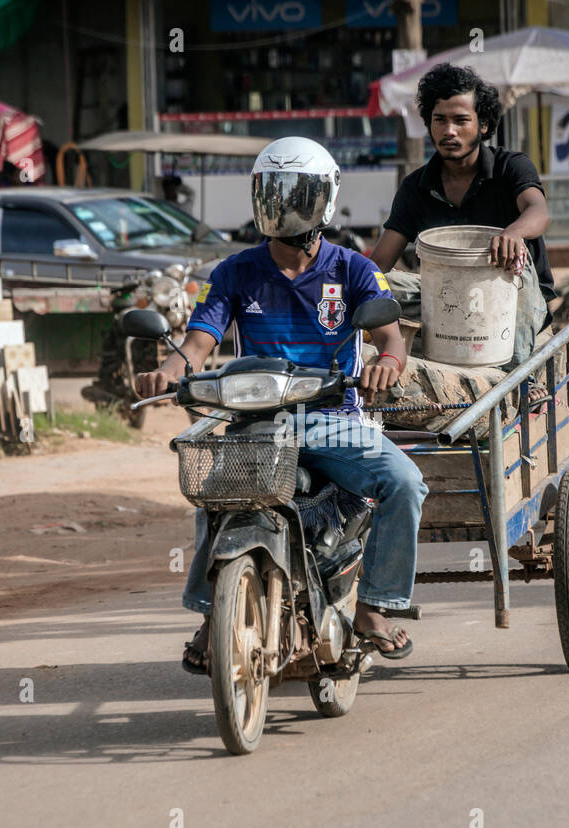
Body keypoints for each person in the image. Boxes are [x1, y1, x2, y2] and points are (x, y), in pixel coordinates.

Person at [135, 136, 429, 674]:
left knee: (405, 483)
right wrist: (170, 370)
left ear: (324, 201)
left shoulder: (355, 271)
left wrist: (388, 360)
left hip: (333, 420)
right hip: (256, 424)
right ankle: (210, 615)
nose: (282, 206)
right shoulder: (233, 273)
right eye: (272, 193)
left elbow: (392, 337)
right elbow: (197, 344)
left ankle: (374, 607)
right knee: (214, 492)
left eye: (296, 195)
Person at [369, 63, 554, 367]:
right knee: (376, 285)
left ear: (483, 125)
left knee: (514, 260)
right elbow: (379, 264)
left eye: (461, 120)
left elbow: (539, 211)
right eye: (439, 120)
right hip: (446, 299)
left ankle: (516, 377)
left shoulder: (511, 167)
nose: (449, 131)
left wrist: (513, 233)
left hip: (513, 294)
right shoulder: (415, 187)